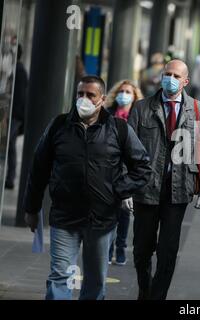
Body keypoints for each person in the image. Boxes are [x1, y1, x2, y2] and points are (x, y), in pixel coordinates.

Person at [23, 75, 151, 300]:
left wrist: (119, 189)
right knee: (59, 276)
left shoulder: (118, 129)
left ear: (101, 99)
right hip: (64, 217)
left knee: (95, 281)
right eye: (80, 94)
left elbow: (143, 167)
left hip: (101, 219)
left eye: (90, 95)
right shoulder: (59, 126)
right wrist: (31, 208)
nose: (84, 99)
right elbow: (39, 168)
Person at [128, 59, 200, 300]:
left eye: (176, 76)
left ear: (185, 81)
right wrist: (126, 189)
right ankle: (145, 289)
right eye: (167, 74)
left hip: (178, 190)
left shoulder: (197, 110)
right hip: (146, 189)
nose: (170, 79)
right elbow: (127, 151)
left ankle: (157, 297)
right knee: (142, 250)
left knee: (168, 251)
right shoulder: (142, 108)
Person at [105, 80, 144, 265]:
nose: (124, 94)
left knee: (124, 212)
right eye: (121, 91)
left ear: (135, 96)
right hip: (110, 168)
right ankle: (108, 248)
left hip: (128, 170)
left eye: (128, 92)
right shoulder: (108, 114)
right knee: (109, 211)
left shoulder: (138, 116)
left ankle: (120, 248)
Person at [5, 44, 28, 189]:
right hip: (14, 115)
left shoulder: (19, 71)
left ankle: (10, 178)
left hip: (14, 116)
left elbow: (19, 97)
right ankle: (10, 178)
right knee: (10, 146)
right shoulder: (17, 70)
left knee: (8, 145)